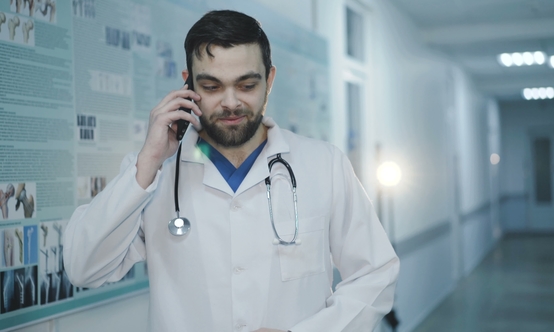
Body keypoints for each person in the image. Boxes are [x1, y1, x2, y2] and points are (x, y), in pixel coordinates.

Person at [64, 10, 399, 332]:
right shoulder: (154, 174)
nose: (230, 102)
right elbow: (83, 268)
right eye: (211, 87)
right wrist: (148, 162)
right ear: (188, 85)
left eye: (246, 85)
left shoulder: (324, 164)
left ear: (269, 80)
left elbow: (375, 275)